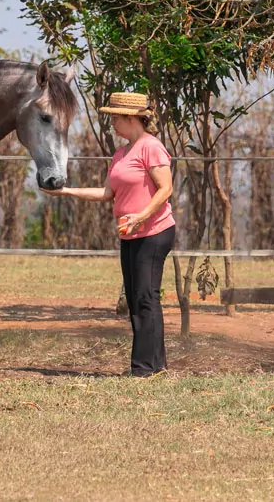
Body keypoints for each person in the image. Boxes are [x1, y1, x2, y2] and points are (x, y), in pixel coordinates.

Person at [42, 91, 176, 377]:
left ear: (131, 118)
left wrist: (141, 216)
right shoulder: (121, 153)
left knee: (145, 298)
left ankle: (143, 369)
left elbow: (166, 189)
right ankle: (156, 365)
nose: (112, 123)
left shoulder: (151, 147)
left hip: (153, 232)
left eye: (115, 117)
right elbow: (107, 193)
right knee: (139, 297)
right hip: (129, 234)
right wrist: (64, 191)